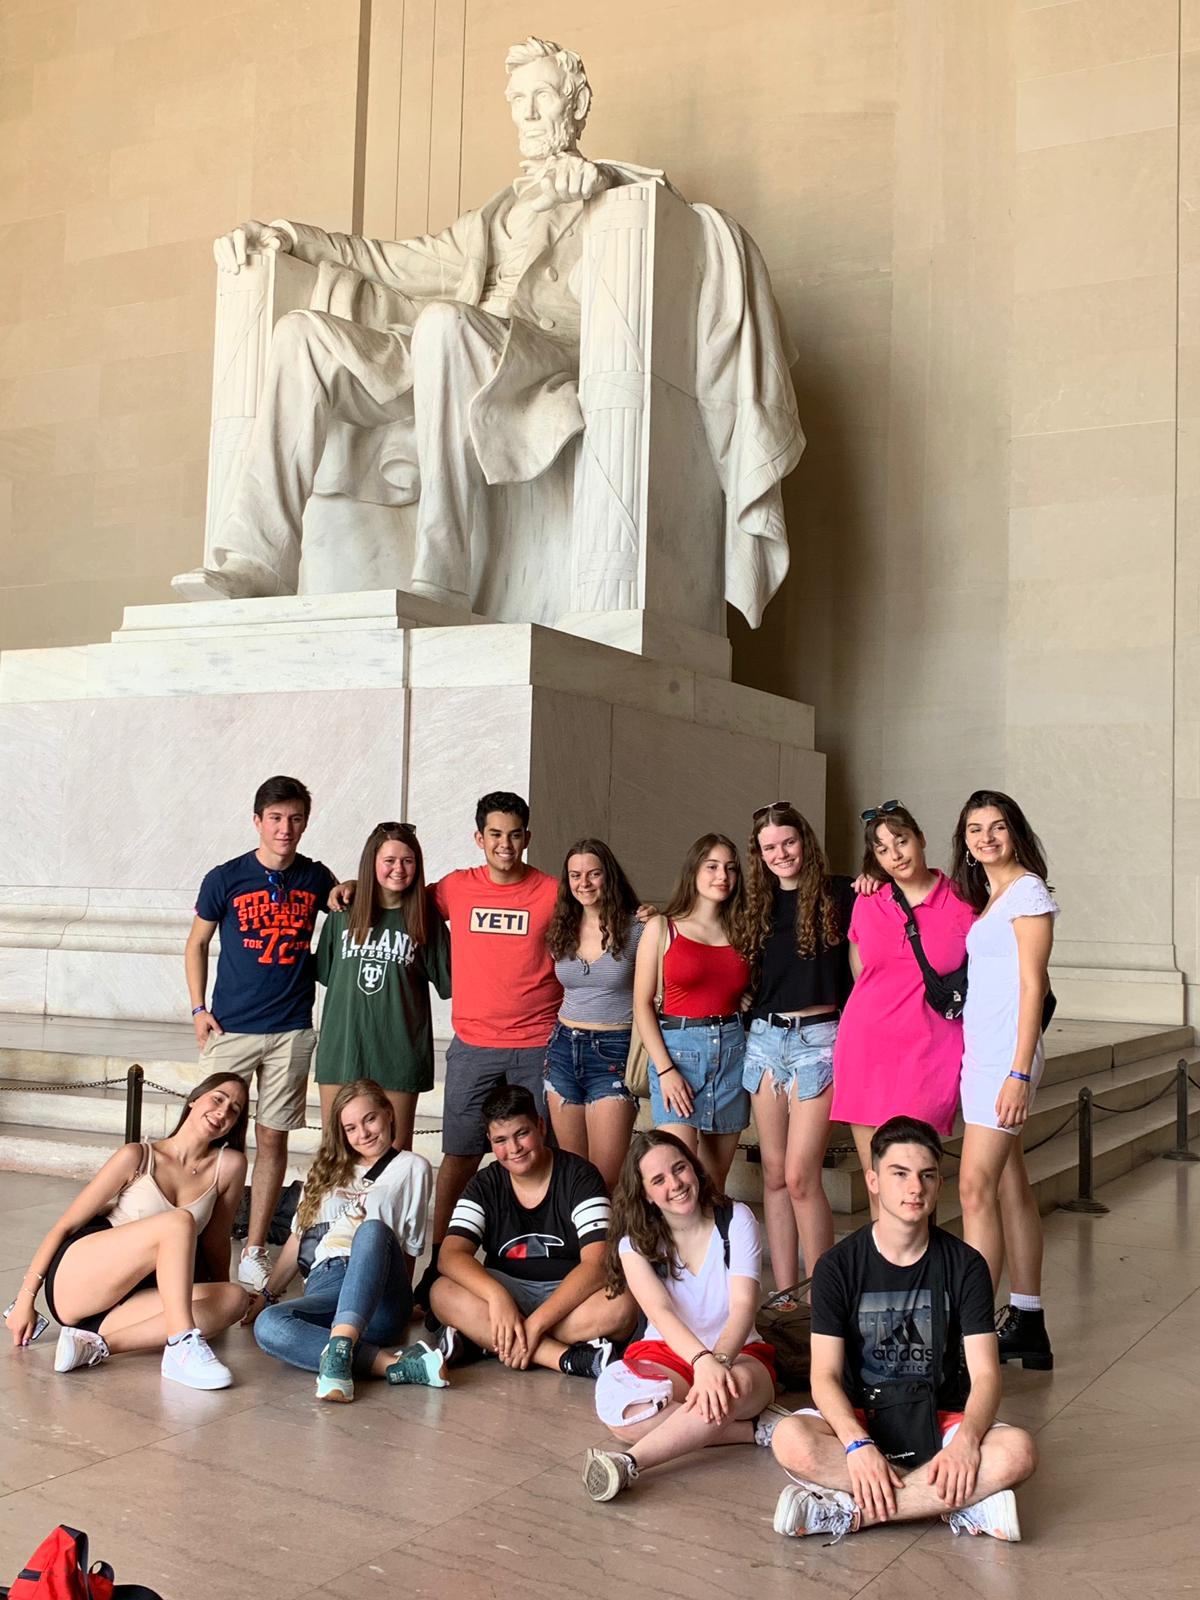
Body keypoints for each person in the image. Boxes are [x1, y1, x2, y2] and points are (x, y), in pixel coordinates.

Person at [172, 40, 801, 629]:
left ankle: (442, 574)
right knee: (300, 335)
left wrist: (599, 188)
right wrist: (289, 237)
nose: (527, 113)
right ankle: (258, 562)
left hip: (539, 357)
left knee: (444, 324)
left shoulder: (617, 189)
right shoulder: (495, 215)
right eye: (517, 100)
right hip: (449, 352)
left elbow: (671, 231)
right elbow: (393, 260)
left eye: (542, 96)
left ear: (576, 104)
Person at [767, 1117, 1037, 1543]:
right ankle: (956, 1501)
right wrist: (857, 1445)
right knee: (790, 1438)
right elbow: (824, 1376)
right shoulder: (837, 1267)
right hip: (863, 1418)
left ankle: (852, 1512)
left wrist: (967, 1442)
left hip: (940, 1417)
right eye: (900, 1174)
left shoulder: (966, 1265)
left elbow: (986, 1374)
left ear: (939, 1184)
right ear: (873, 1181)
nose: (915, 1188)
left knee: (1018, 1451)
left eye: (927, 1175)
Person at [185, 774, 338, 1293]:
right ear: (257, 821)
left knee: (273, 1137)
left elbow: (346, 909)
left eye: (295, 818)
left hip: (290, 1029)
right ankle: (192, 1237)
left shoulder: (315, 877)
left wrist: (348, 889)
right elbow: (196, 943)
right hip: (231, 1027)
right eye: (275, 818)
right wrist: (198, 1008)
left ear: (305, 823)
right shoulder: (226, 877)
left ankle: (253, 1250)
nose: (285, 828)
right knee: (207, 1132)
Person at [5, 1074, 251, 1390]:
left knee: (234, 1299)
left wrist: (217, 1294)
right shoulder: (137, 1156)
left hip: (132, 1298)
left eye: (234, 1110)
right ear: (193, 1100)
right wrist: (25, 1299)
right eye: (218, 1099)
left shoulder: (229, 1166)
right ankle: (181, 1344)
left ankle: (95, 1345)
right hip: (82, 1278)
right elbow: (66, 1225)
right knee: (179, 1222)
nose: (223, 1111)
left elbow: (216, 1241)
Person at [581, 1129, 776, 1502]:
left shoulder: (736, 1219)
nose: (675, 1184)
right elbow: (661, 1313)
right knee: (618, 1409)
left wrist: (717, 1362)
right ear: (645, 1194)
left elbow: (742, 1307)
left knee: (731, 1389)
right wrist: (701, 1362)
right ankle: (754, 1430)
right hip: (667, 1352)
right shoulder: (633, 1243)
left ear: (694, 1168)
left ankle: (628, 1462)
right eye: (658, 1180)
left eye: (679, 1168)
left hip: (739, 1353)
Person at [951, 790, 1059, 1371]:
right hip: (983, 1054)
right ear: (966, 842)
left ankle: (973, 1339)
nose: (986, 837)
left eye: (997, 826)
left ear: (1014, 832)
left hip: (1006, 1060)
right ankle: (1028, 1321)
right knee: (1011, 1184)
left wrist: (1019, 1072)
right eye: (975, 829)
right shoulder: (992, 895)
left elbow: (1033, 986)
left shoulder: (1027, 891)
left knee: (975, 1188)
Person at [250, 1079, 445, 1398]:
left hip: (377, 1289)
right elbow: (299, 1240)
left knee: (372, 1229)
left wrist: (401, 1302)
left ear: (388, 1113)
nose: (363, 1133)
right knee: (269, 1324)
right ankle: (389, 1364)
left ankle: (342, 1351)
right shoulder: (325, 1171)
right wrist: (267, 1296)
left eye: (370, 1119)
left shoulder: (412, 1167)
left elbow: (409, 1246)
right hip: (325, 1284)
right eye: (351, 1128)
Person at [429, 1084, 634, 1376]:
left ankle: (486, 1340)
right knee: (441, 1292)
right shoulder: (484, 1184)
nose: (514, 1149)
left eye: (521, 1134)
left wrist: (536, 1323)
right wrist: (497, 1297)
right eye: (501, 1140)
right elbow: (450, 1256)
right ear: (489, 1141)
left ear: (540, 1126)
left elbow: (598, 1263)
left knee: (623, 1305)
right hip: (507, 1289)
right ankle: (566, 1358)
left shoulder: (581, 1176)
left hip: (569, 1294)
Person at [832, 802, 976, 1211]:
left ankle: (920, 1256)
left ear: (921, 838)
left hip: (929, 1054)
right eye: (882, 849)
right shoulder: (868, 900)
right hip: (866, 1049)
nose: (895, 854)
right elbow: (862, 972)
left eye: (901, 841)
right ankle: (883, 1256)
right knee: (878, 1183)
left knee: (916, 1185)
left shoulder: (963, 902)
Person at [743, 801, 853, 1293]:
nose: (781, 853)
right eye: (769, 847)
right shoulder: (755, 905)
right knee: (772, 1175)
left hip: (820, 1042)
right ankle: (785, 1297)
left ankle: (822, 1297)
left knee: (801, 1175)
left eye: (788, 842)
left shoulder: (841, 894)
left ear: (804, 841)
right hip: (765, 1041)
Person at [314, 821, 451, 1150]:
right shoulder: (343, 913)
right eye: (389, 860)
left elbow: (453, 982)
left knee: (395, 1157)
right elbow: (328, 975)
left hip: (399, 1053)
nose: (399, 869)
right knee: (335, 1153)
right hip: (343, 1049)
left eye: (407, 860)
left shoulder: (425, 919)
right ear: (371, 862)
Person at [634, 834, 752, 1194]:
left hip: (731, 1055)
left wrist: (745, 997)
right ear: (693, 871)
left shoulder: (743, 930)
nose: (722, 876)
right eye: (712, 866)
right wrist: (665, 1070)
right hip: (678, 1055)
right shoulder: (662, 927)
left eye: (730, 868)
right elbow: (641, 1005)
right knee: (678, 1178)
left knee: (714, 1184)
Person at [544, 838, 643, 1189]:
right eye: (575, 875)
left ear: (608, 876)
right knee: (572, 1174)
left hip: (613, 1052)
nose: (583, 883)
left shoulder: (639, 929)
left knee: (605, 1179)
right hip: (562, 1048)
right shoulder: (560, 927)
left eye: (593, 874)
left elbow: (666, 984)